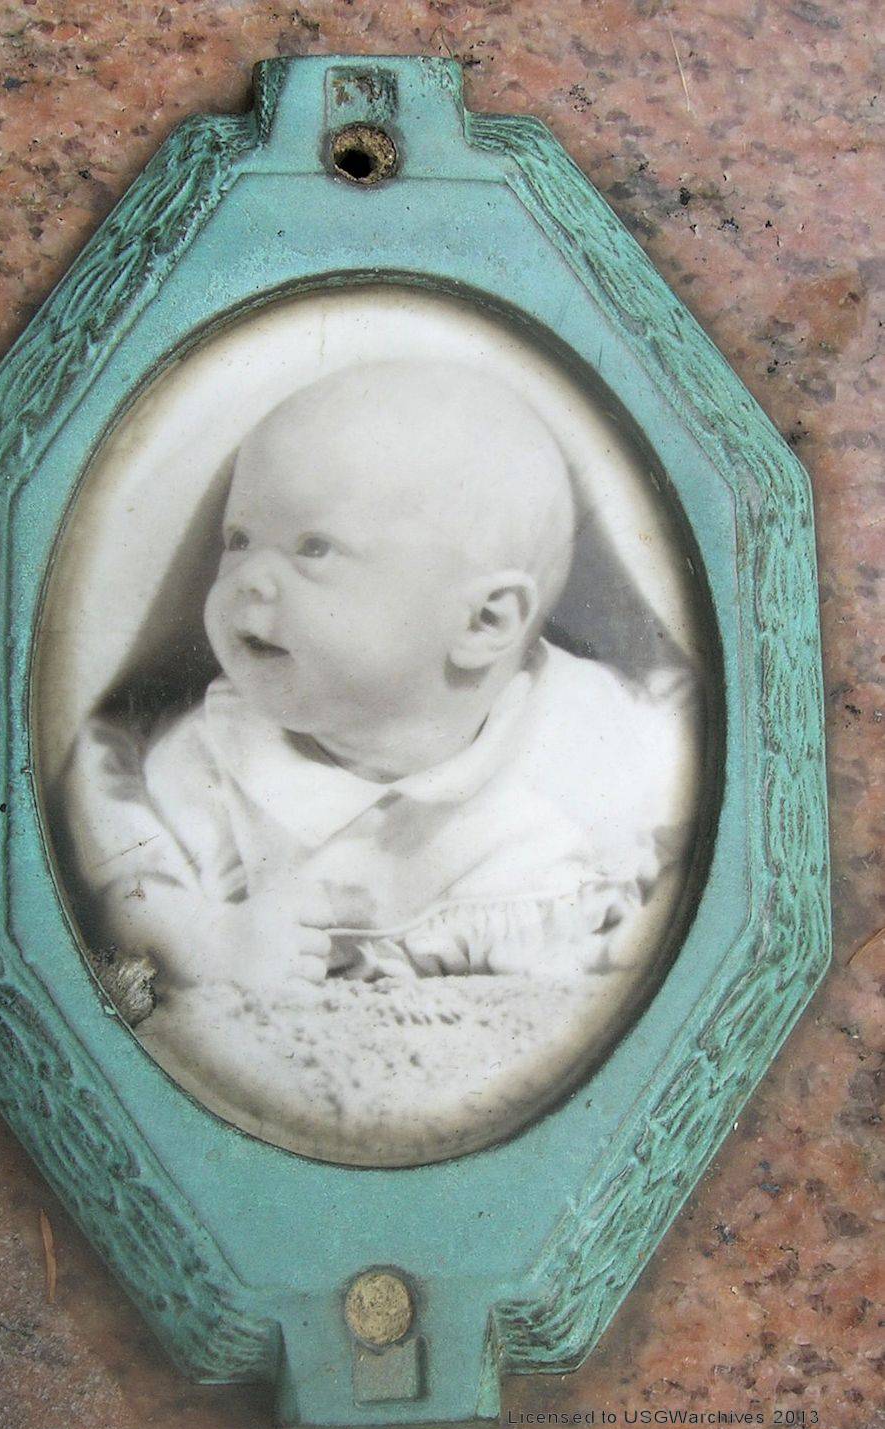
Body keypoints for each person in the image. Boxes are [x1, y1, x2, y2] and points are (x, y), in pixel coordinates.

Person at [61, 361, 696, 1008]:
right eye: (239, 538)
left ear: (484, 622)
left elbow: (701, 826)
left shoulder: (589, 725)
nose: (249, 578)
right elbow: (135, 888)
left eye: (314, 547)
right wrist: (212, 943)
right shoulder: (219, 761)